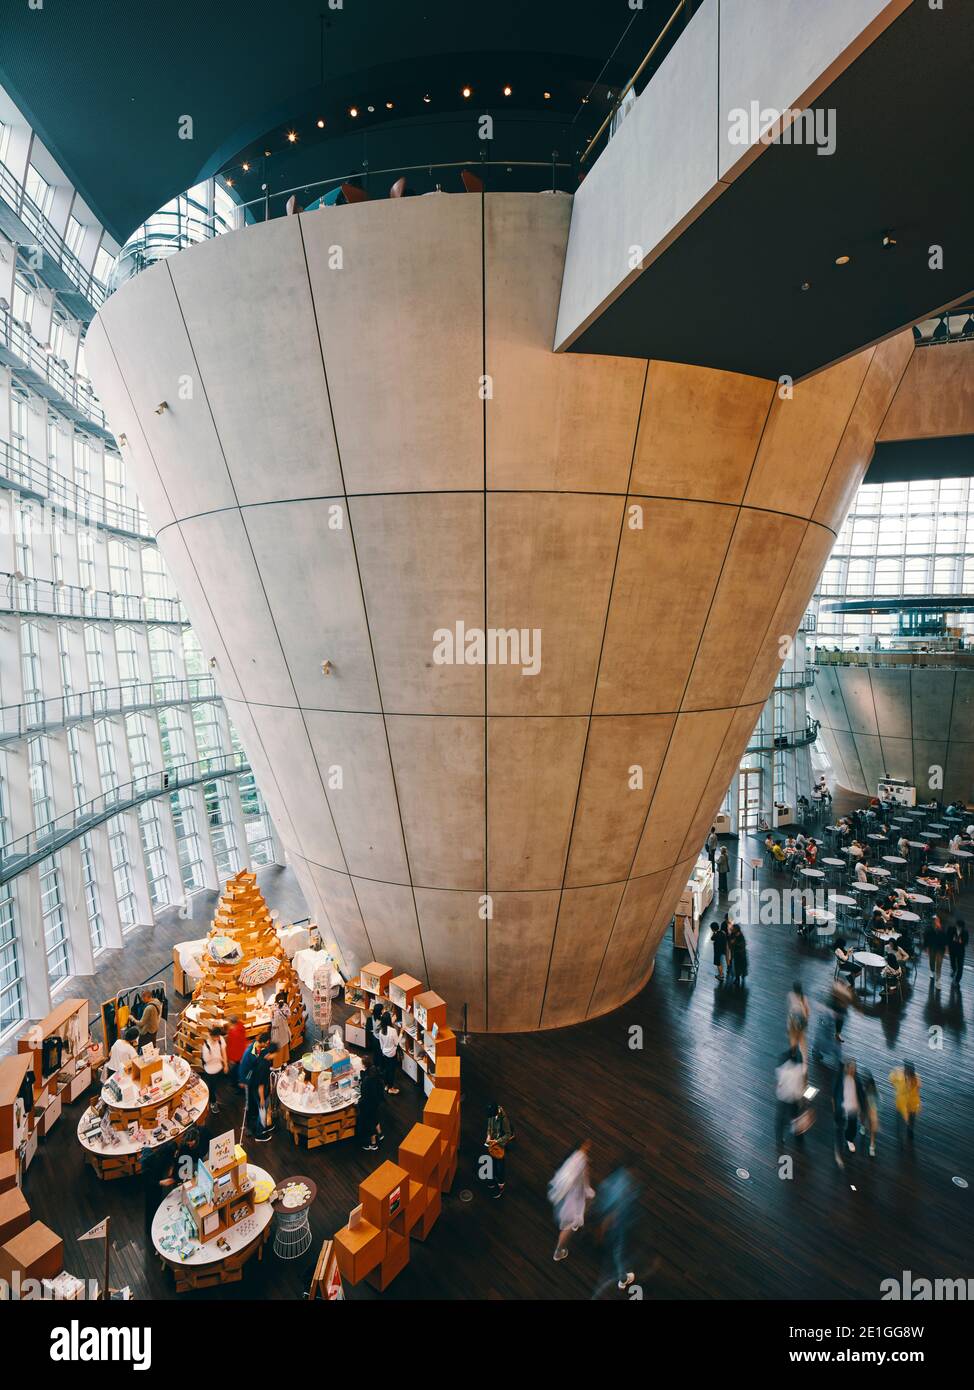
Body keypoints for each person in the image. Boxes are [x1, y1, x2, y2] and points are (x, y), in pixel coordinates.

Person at [593, 1163, 638, 1294]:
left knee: (616, 1250)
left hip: (612, 1221)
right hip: (617, 1223)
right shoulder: (623, 1182)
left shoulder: (610, 1181)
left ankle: (621, 1276)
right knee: (618, 1250)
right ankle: (622, 1278)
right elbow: (618, 1206)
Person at [549, 1142, 594, 1262]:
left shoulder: (572, 1159)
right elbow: (584, 1181)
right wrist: (589, 1192)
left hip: (568, 1196)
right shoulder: (581, 1160)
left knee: (573, 1219)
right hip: (573, 1199)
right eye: (586, 1145)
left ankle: (574, 1226)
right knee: (570, 1225)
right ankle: (558, 1251)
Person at [832, 1059, 865, 1167]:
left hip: (852, 1107)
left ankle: (849, 1139)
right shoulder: (840, 1076)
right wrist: (833, 1104)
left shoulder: (857, 1080)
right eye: (850, 1069)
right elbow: (835, 1090)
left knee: (852, 1126)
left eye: (853, 1069)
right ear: (846, 1068)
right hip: (841, 1107)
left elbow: (861, 1094)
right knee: (839, 1128)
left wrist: (862, 1109)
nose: (852, 1071)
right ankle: (838, 1150)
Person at [774, 1046, 807, 1147]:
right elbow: (799, 1084)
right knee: (794, 1117)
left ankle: (780, 1139)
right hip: (792, 1097)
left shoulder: (783, 1062)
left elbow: (780, 1082)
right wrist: (802, 1097)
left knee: (781, 1118)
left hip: (783, 1096)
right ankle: (798, 1137)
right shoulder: (797, 1067)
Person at [245, 1034, 274, 1141]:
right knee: (262, 1112)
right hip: (259, 1092)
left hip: (254, 1088)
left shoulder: (261, 1055)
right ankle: (259, 1134)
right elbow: (261, 1085)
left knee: (262, 1110)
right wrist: (262, 1098)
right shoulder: (264, 1066)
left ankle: (262, 1127)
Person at [484, 1101, 514, 1198]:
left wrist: (497, 1141)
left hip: (499, 1144)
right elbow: (489, 1125)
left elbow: (508, 1134)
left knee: (500, 1166)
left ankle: (501, 1185)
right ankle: (493, 1179)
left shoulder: (504, 1119)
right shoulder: (492, 1114)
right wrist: (488, 1136)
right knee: (492, 1162)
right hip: (493, 1143)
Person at [356, 1054, 385, 1151]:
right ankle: (380, 1133)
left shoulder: (366, 1081)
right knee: (374, 1116)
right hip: (376, 1101)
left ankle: (373, 1144)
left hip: (368, 1104)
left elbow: (364, 1095)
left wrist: (359, 1102)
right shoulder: (374, 1070)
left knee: (369, 1122)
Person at [889, 1061, 921, 1143]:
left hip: (911, 1104)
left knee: (909, 1120)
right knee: (903, 1119)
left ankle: (908, 1132)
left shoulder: (915, 1078)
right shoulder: (900, 1075)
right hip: (903, 1103)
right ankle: (905, 1132)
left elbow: (918, 1087)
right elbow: (891, 1080)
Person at [201, 1024, 227, 1116]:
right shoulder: (206, 1046)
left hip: (219, 1068)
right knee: (211, 1088)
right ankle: (213, 1102)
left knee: (217, 1086)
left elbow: (223, 1051)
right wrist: (216, 1056)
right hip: (210, 1070)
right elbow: (207, 1060)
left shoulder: (220, 1040)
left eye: (218, 1036)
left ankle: (214, 1099)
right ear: (212, 1036)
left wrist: (225, 1064)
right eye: (216, 1037)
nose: (217, 1039)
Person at [377, 1011, 400, 1094]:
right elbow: (397, 1043)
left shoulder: (381, 1031)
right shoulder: (393, 1031)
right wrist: (401, 1033)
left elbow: (381, 1044)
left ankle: (386, 1085)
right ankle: (391, 1088)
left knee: (386, 1070)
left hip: (384, 1053)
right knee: (391, 1071)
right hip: (392, 1053)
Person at [787, 982, 810, 1065]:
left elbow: (790, 1008)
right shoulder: (804, 998)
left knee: (794, 1038)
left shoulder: (790, 995)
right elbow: (807, 1012)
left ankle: (793, 1053)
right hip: (800, 1022)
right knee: (799, 1038)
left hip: (793, 1021)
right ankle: (798, 1055)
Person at [923, 915, 948, 986]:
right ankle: (932, 970)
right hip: (932, 947)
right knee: (932, 960)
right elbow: (926, 939)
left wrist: (946, 950)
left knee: (939, 964)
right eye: (935, 920)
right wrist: (926, 948)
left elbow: (946, 939)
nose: (936, 921)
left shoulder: (942, 928)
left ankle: (938, 980)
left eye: (937, 920)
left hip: (940, 948)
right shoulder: (929, 929)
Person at [860, 1069, 879, 1158]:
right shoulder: (873, 1089)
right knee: (872, 1129)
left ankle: (863, 1127)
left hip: (865, 1108)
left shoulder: (864, 1088)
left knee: (863, 1118)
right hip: (872, 1110)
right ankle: (871, 1147)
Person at [269, 990, 291, 1068]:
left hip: (278, 1033)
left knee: (278, 1049)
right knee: (285, 1047)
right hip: (284, 1031)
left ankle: (277, 1065)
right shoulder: (286, 1006)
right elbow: (288, 1017)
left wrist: (271, 1016)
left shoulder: (275, 1009)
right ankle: (285, 1062)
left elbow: (274, 1023)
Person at [225, 1014, 248, 1084]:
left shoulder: (233, 1033)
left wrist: (229, 1058)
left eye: (228, 1022)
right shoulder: (241, 1027)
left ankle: (234, 1085)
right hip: (242, 1054)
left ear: (232, 1022)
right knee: (239, 1071)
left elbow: (231, 1047)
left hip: (235, 1057)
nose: (227, 1023)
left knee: (233, 1072)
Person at [948, 918, 968, 983]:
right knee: (952, 963)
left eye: (960, 927)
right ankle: (954, 970)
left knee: (960, 966)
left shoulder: (965, 933)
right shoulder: (951, 929)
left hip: (960, 952)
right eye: (958, 926)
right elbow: (948, 938)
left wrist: (961, 941)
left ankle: (957, 980)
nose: (959, 928)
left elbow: (965, 942)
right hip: (952, 950)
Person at [729, 923, 748, 990]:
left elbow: (742, 945)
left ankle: (742, 977)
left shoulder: (740, 936)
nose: (731, 929)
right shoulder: (733, 935)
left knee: (742, 967)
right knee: (737, 967)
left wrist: (734, 943)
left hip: (741, 955)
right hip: (737, 955)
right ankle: (737, 979)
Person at [710, 918, 728, 984]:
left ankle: (721, 976)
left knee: (718, 963)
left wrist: (714, 933)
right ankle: (721, 974)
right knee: (720, 963)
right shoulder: (722, 932)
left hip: (717, 951)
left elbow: (711, 938)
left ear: (713, 929)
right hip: (723, 949)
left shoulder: (716, 935)